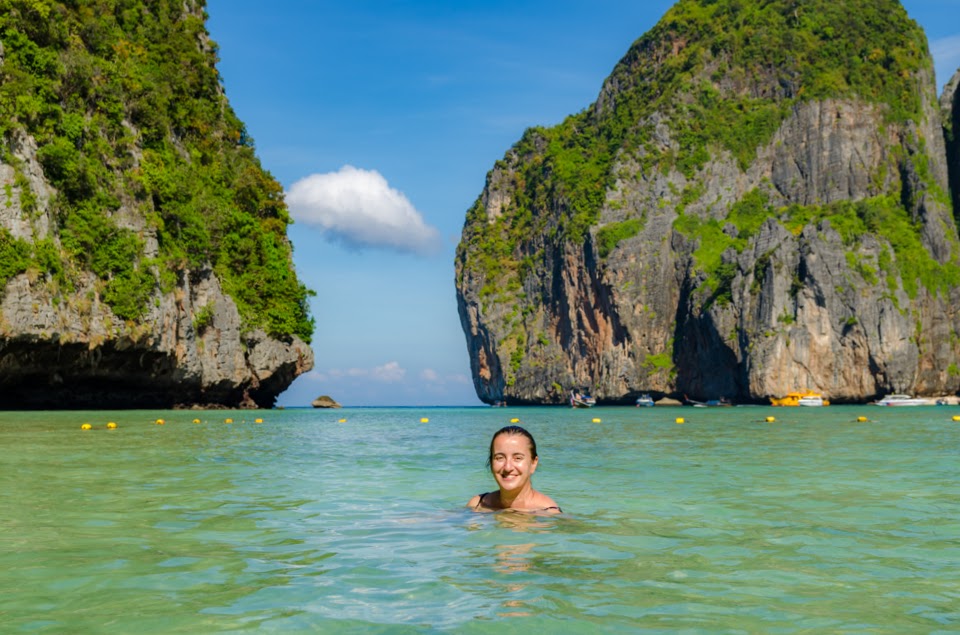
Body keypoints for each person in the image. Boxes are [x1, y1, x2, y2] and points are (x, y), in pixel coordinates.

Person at [468, 425, 561, 514]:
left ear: (533, 463)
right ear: (491, 463)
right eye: (500, 458)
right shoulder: (477, 505)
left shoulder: (548, 514)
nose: (508, 467)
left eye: (518, 458)